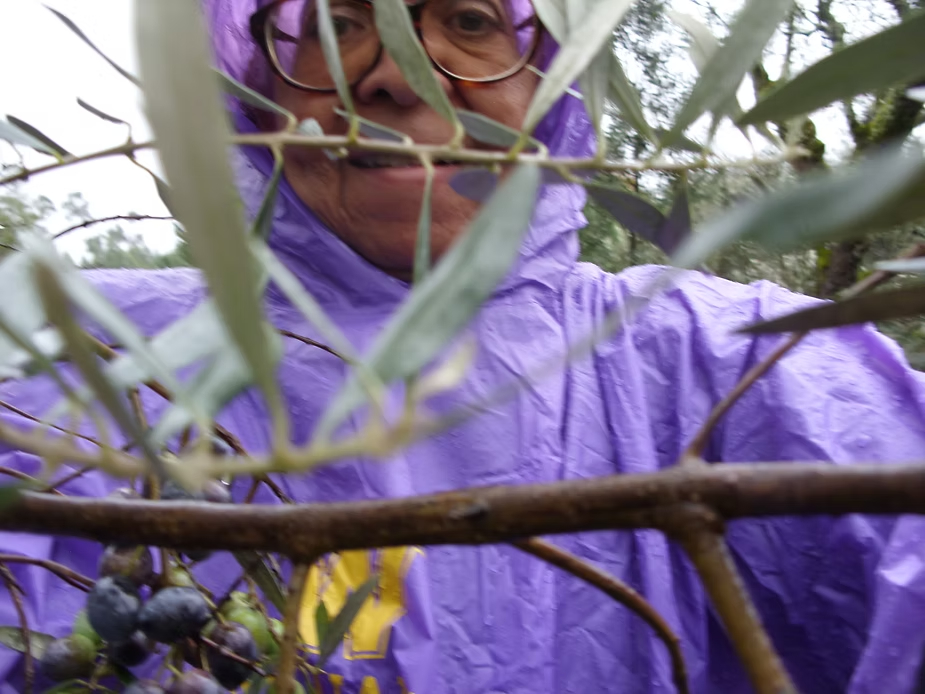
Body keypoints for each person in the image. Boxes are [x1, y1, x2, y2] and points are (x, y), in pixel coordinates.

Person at [1, 0, 925, 691]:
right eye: (333, 23)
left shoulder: (740, 362)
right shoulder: (64, 362)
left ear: (555, 88)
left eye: (471, 19)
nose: (392, 72)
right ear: (255, 95)